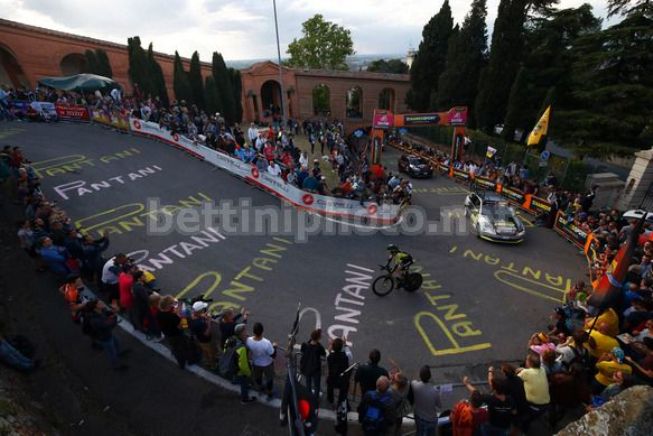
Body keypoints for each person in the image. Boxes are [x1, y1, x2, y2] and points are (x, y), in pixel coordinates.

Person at [85, 299, 128, 371]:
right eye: (99, 303)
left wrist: (114, 310)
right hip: (105, 337)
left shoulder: (101, 311)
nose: (102, 303)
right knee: (111, 352)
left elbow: (109, 313)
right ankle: (116, 366)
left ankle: (119, 353)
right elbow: (109, 325)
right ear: (95, 308)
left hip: (107, 333)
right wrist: (114, 316)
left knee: (116, 342)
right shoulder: (95, 320)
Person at [517, 353, 550, 432]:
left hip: (533, 405)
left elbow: (515, 379)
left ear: (530, 363)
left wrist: (521, 370)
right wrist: (523, 369)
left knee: (524, 419)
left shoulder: (526, 373)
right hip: (546, 404)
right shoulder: (542, 369)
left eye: (527, 361)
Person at [246, 322, 277, 400]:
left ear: (253, 331)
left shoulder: (248, 340)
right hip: (267, 364)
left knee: (258, 377)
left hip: (256, 363)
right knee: (269, 378)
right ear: (262, 331)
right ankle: (269, 393)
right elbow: (273, 355)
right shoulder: (267, 343)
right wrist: (275, 347)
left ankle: (260, 388)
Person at [408, 365, 442, 436]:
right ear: (430, 376)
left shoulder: (414, 385)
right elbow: (439, 405)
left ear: (420, 376)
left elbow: (412, 382)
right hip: (430, 419)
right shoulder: (434, 391)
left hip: (418, 416)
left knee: (419, 432)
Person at [156, 295, 188, 369]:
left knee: (174, 347)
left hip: (167, 334)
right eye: (173, 303)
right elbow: (183, 326)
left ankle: (175, 354)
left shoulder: (159, 312)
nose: (174, 305)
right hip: (176, 335)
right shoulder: (172, 316)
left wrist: (178, 307)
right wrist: (183, 316)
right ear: (168, 306)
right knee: (179, 349)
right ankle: (182, 363)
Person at [300, 328, 327, 400]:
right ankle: (315, 399)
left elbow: (302, 351)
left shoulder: (305, 345)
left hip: (306, 367)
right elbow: (324, 354)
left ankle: (308, 397)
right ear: (318, 338)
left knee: (308, 383)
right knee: (316, 385)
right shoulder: (319, 347)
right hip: (316, 369)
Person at [232, 323, 256, 404]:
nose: (246, 332)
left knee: (241, 380)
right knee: (244, 384)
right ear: (241, 333)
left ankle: (236, 381)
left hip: (234, 367)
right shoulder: (242, 348)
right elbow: (243, 366)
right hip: (240, 371)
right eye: (245, 331)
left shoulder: (233, 339)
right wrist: (249, 373)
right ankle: (245, 399)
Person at [189, 301, 216, 369]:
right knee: (210, 353)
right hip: (206, 341)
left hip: (199, 339)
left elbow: (197, 316)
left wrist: (203, 316)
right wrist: (209, 322)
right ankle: (213, 365)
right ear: (200, 311)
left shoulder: (192, 317)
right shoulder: (199, 323)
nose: (204, 310)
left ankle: (207, 362)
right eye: (203, 309)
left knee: (204, 351)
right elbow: (207, 333)